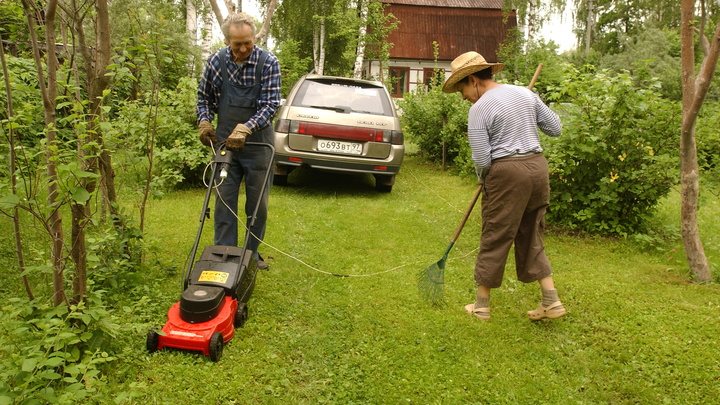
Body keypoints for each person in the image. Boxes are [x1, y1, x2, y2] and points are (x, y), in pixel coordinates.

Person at [441, 51, 566, 321]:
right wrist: (525, 116)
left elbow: (483, 158)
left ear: (473, 80)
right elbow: (555, 127)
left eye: (461, 88)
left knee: (496, 233)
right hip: (537, 168)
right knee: (532, 233)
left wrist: (483, 177)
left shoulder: (479, 109)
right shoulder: (524, 94)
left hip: (507, 173)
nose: (462, 97)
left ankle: (482, 306)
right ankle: (551, 301)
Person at [196, 13, 281, 270]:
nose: (243, 49)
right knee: (223, 201)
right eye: (237, 44)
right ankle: (225, 254)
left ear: (254, 37)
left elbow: (270, 104)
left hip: (259, 146)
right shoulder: (216, 61)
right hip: (225, 145)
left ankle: (251, 254)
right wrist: (204, 121)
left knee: (258, 205)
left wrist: (246, 128)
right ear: (227, 40)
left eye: (248, 42)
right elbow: (204, 97)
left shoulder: (268, 63)